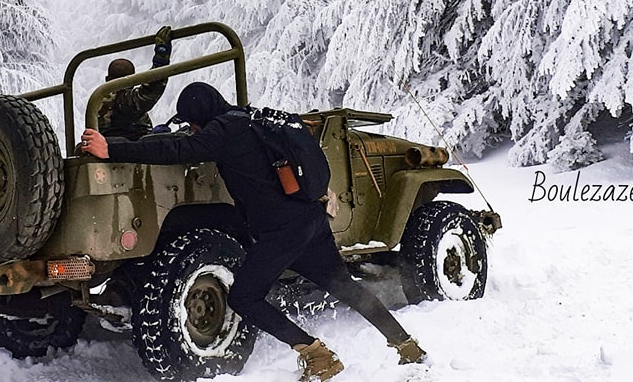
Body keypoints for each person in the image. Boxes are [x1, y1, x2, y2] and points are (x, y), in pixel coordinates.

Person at [80, 82, 426, 382]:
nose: (193, 129)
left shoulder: (222, 131)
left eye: (192, 121)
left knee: (244, 298)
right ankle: (406, 345)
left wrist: (112, 149)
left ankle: (317, 356)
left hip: (282, 230)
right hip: (311, 217)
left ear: (199, 114)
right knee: (343, 286)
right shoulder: (249, 118)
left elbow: (178, 150)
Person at [97, 26, 173, 140]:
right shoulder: (118, 101)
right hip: (127, 151)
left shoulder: (97, 101)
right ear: (133, 81)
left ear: (107, 79)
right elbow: (148, 93)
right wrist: (161, 61)